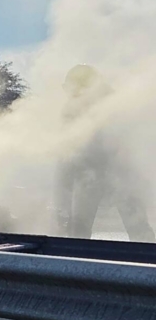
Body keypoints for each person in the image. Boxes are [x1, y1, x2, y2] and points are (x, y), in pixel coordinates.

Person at [55, 65, 154, 242]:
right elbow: (67, 147)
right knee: (78, 229)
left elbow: (126, 140)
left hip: (117, 171)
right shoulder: (71, 108)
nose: (68, 92)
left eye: (70, 86)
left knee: (137, 227)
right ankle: (75, 264)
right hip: (91, 172)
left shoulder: (112, 103)